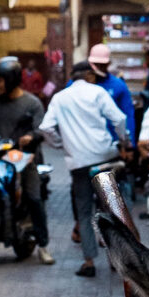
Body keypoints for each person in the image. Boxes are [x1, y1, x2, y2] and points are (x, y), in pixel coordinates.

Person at [40, 60, 132, 279]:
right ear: (89, 76)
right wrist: (123, 141)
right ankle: (114, 258)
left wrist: (60, 144)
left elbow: (45, 127)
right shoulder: (97, 92)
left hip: (78, 162)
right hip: (103, 158)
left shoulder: (60, 97)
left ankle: (89, 261)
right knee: (109, 208)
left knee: (83, 211)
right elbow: (119, 118)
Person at [0, 53, 54, 265]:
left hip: (23, 157)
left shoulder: (32, 103)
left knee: (34, 198)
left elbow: (41, 129)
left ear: (12, 80)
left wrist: (30, 137)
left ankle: (43, 245)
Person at [87, 41, 138, 143]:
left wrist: (130, 142)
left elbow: (128, 114)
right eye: (96, 64)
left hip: (112, 140)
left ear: (108, 64)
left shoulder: (118, 85)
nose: (98, 68)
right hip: (87, 140)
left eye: (102, 64)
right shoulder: (78, 84)